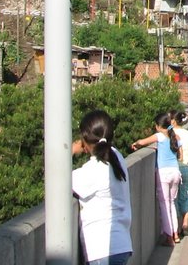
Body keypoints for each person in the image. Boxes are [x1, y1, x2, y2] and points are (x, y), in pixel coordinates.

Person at [71, 110, 132, 265]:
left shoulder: (95, 169)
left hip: (102, 249)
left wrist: (69, 152)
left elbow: (63, 181)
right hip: (121, 244)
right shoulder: (116, 157)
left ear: (85, 139)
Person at [132, 112, 182, 247]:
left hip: (163, 174)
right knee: (171, 203)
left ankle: (169, 236)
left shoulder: (159, 136)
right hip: (176, 172)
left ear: (159, 126)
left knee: (164, 205)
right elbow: (179, 153)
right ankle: (176, 234)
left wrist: (136, 144)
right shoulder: (175, 136)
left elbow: (142, 142)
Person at [171, 110, 188, 238]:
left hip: (175, 168)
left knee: (174, 198)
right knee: (187, 195)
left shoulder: (171, 134)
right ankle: (186, 223)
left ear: (173, 121)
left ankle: (178, 225)